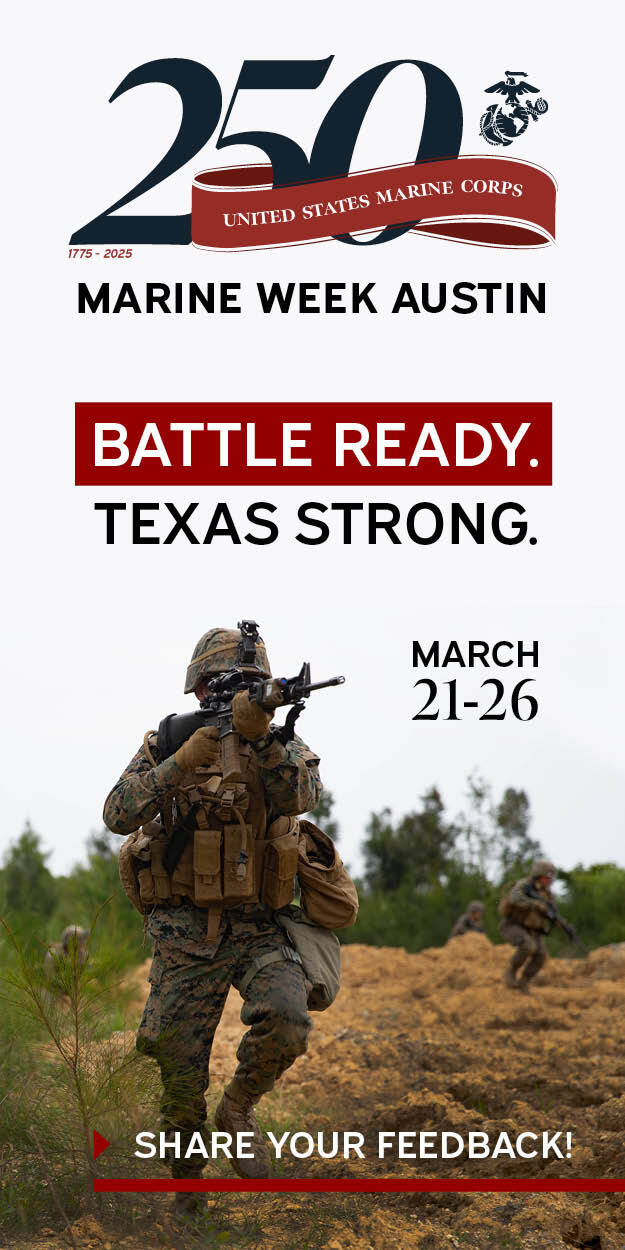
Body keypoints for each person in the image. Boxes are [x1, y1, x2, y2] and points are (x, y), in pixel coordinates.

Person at [103, 625, 357, 1214]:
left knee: (290, 1018)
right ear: (199, 692)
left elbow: (301, 796)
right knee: (178, 1074)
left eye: (248, 683)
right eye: (226, 684)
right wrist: (175, 767)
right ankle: (188, 1201)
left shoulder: (280, 742)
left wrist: (261, 738)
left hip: (256, 927)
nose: (238, 692)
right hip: (186, 933)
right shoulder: (168, 739)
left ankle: (239, 1107)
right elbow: (117, 812)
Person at [499, 858, 574, 993]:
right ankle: (510, 971)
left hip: (534, 931)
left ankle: (524, 982)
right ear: (539, 875)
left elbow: (553, 915)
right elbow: (514, 898)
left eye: (551, 878)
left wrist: (565, 927)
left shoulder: (548, 896)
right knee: (528, 946)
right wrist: (535, 903)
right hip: (514, 925)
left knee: (541, 956)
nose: (550, 881)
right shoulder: (524, 886)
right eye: (547, 877)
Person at [44, 925, 90, 990]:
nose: (83, 942)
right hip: (56, 990)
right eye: (79, 939)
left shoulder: (82, 953)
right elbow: (50, 976)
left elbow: (83, 972)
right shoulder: (54, 954)